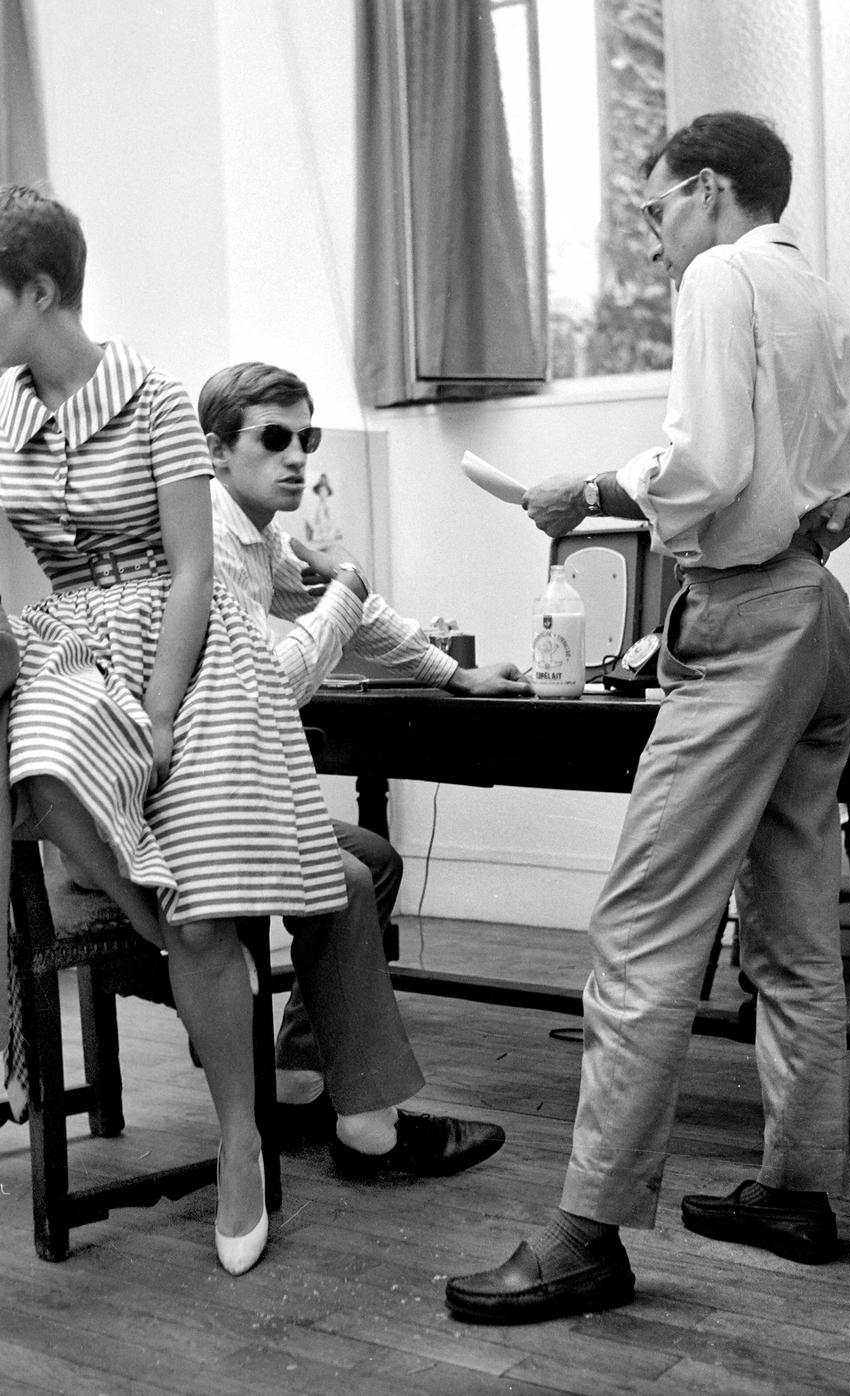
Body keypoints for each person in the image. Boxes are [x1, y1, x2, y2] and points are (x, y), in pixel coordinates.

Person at [444, 112, 850, 1324]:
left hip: (742, 623)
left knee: (643, 927)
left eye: (651, 213)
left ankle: (586, 1229)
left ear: (705, 192)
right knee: (791, 931)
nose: (651, 244)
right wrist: (843, 511)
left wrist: (587, 490)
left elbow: (703, 466)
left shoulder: (718, 276)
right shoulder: (834, 310)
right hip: (815, 624)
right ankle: (794, 1188)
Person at [0, 185, 350, 1278]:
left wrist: (165, 712)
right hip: (71, 647)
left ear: (41, 291)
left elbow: (188, 570)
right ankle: (166, 916)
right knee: (32, 763)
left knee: (212, 908)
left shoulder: (161, 401)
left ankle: (238, 1138)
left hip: (197, 650)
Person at [197, 360, 527, 1177]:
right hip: (186, 807)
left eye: (305, 437)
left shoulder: (255, 533)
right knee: (342, 879)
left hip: (225, 789)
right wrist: (341, 593)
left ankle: (305, 1082)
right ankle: (371, 1133)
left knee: (373, 861)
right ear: (216, 450)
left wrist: (453, 674)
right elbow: (268, 688)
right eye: (274, 439)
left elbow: (350, 607)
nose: (297, 457)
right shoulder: (202, 540)